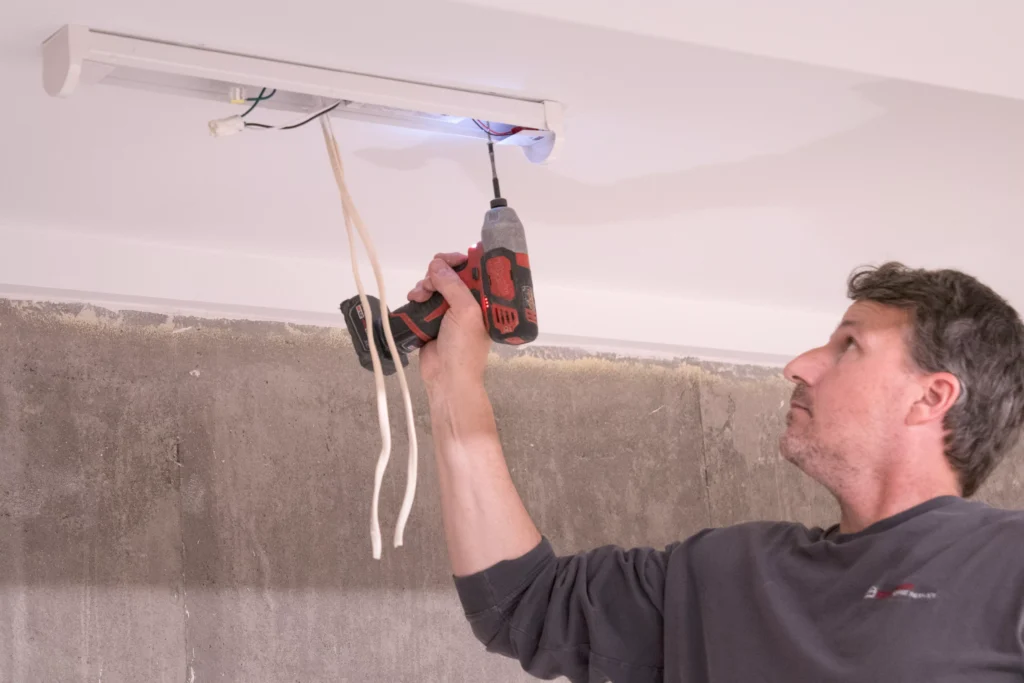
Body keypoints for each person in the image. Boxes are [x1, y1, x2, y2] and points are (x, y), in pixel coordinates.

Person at [406, 257, 1024, 683]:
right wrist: (452, 382)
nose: (800, 365)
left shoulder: (1008, 561)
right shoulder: (727, 574)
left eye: (849, 346)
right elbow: (523, 603)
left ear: (930, 398)